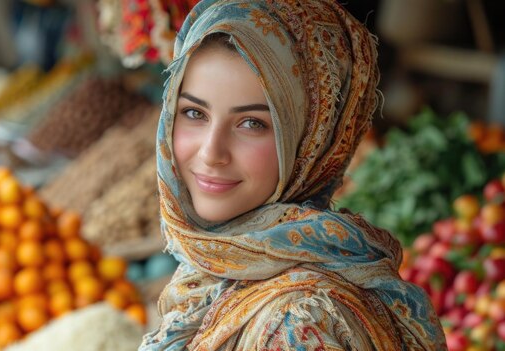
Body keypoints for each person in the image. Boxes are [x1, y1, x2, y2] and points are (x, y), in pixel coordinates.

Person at [140, 0, 446, 350]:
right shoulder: (216, 270)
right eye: (194, 113)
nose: (211, 152)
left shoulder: (298, 324)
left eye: (252, 123)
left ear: (309, 144)